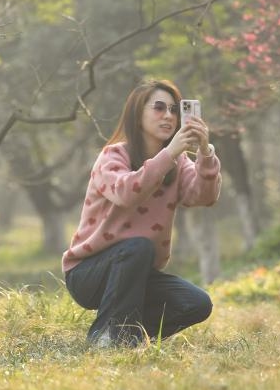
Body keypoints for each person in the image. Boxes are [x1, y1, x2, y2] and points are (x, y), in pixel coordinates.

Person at [62, 79, 221, 348]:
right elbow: (127, 192)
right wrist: (170, 152)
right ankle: (105, 335)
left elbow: (203, 197)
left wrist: (205, 151)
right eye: (159, 108)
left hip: (137, 272)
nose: (169, 116)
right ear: (137, 114)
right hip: (87, 273)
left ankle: (126, 339)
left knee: (196, 303)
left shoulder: (177, 162)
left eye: (174, 110)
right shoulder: (112, 156)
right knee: (138, 246)